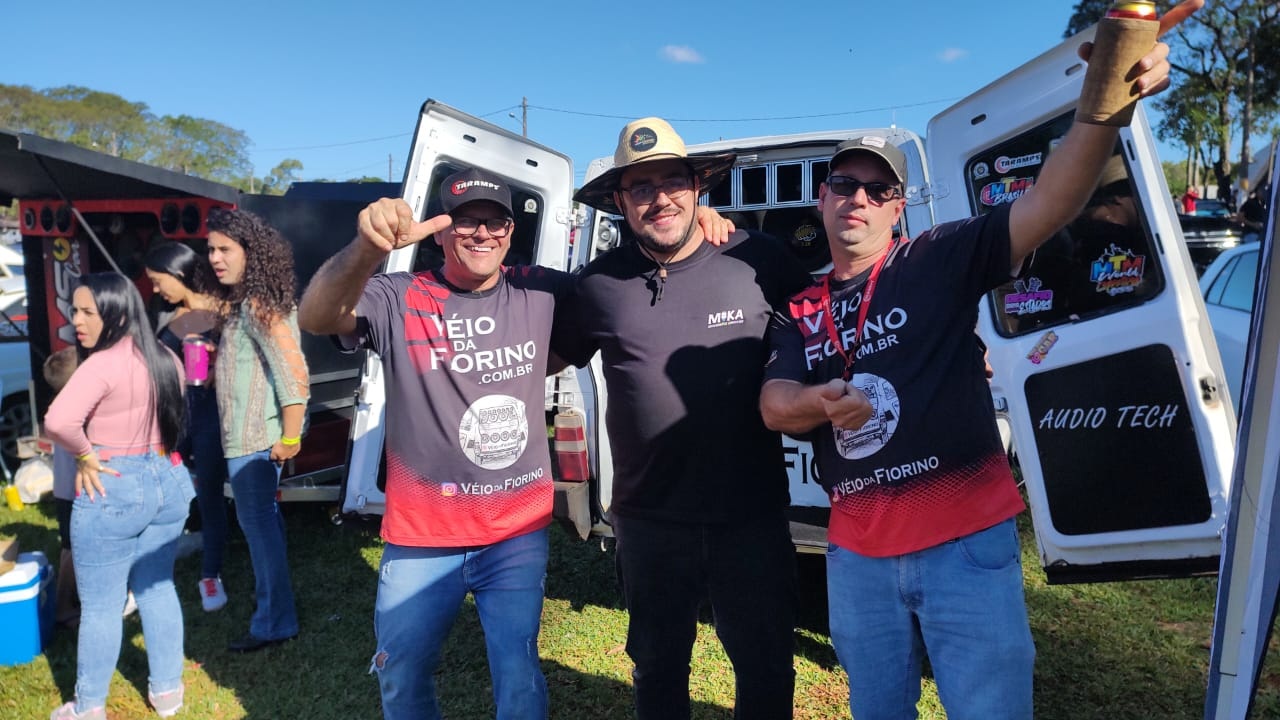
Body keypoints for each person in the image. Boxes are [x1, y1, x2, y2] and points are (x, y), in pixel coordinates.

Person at [757, 5, 1197, 718]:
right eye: (844, 185)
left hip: (963, 544)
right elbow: (774, 403)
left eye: (878, 190)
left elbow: (1049, 202)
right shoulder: (799, 308)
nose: (858, 199)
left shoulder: (937, 257)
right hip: (857, 553)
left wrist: (1102, 112)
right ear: (822, 198)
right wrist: (818, 403)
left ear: (898, 208)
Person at [297, 167, 574, 719]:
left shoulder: (538, 289)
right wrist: (367, 248)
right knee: (399, 672)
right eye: (465, 221)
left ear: (511, 231)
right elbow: (316, 315)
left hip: (515, 532)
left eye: (495, 221)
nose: (482, 233)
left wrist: (700, 227)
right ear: (441, 231)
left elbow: (621, 290)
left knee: (519, 675)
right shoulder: (399, 296)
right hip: (422, 536)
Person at [558, 117, 812, 719]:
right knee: (658, 667)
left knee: (766, 667)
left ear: (697, 187)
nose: (660, 199)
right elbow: (537, 358)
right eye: (641, 188)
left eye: (673, 182)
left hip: (749, 516)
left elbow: (833, 319)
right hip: (648, 521)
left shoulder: (757, 259)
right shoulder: (597, 284)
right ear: (620, 202)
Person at [45, 272, 192, 720]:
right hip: (168, 478)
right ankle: (168, 693)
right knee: (157, 588)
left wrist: (85, 456)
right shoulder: (166, 356)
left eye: (89, 311)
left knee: (102, 607)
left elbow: (58, 421)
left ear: (119, 313)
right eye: (75, 310)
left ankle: (89, 706)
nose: (77, 321)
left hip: (114, 483)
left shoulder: (101, 365)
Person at [205, 208, 309, 652]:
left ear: (252, 252)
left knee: (260, 532)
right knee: (264, 528)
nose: (215, 257)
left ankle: (273, 623)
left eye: (225, 249)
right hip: (246, 441)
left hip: (256, 443)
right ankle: (273, 611)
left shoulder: (259, 306)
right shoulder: (244, 304)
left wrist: (290, 437)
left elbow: (293, 374)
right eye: (211, 249)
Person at [144, 241, 230, 612]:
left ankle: (211, 574)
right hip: (174, 418)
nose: (154, 288)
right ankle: (151, 569)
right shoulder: (167, 313)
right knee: (164, 493)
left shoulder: (223, 311)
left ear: (179, 273)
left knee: (210, 494)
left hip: (210, 415)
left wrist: (219, 364)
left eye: (158, 280)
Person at [42, 346, 80, 630]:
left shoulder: (60, 405)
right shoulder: (70, 411)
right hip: (72, 492)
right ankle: (63, 607)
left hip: (66, 490)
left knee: (72, 547)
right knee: (71, 550)